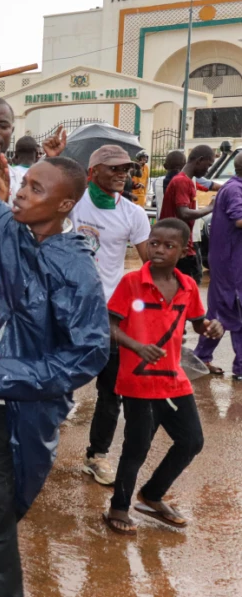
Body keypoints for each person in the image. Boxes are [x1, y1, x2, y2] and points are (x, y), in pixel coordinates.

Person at [0, 154, 110, 597]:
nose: (20, 192)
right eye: (25, 182)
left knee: (16, 498)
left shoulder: (76, 270)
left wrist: (11, 372)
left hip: (34, 403)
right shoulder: (5, 226)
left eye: (37, 189)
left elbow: (89, 352)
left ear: (64, 205)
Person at [102, 219, 221, 535]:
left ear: (183, 251)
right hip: (138, 382)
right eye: (154, 242)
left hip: (173, 380)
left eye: (169, 246)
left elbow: (198, 324)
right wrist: (136, 345)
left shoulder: (188, 286)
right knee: (137, 446)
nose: (158, 250)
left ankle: (152, 495)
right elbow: (110, 326)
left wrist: (211, 326)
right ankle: (119, 505)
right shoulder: (131, 283)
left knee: (192, 441)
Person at [71, 145, 151, 488]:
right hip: (70, 309)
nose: (122, 173)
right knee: (56, 382)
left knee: (110, 390)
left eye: (126, 168)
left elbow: (151, 268)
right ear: (93, 172)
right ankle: (31, 445)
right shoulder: (73, 204)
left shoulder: (133, 215)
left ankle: (97, 455)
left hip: (109, 315)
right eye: (114, 168)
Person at [195, 155, 242, 379]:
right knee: (223, 310)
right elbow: (239, 219)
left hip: (233, 261)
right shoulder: (234, 190)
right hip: (229, 262)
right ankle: (203, 357)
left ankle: (236, 365)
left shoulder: (234, 186)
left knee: (231, 311)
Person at [159, 145, 216, 285]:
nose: (207, 170)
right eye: (208, 165)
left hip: (182, 245)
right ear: (199, 160)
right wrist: (210, 208)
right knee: (188, 291)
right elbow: (183, 213)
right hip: (180, 247)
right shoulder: (182, 181)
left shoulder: (186, 181)